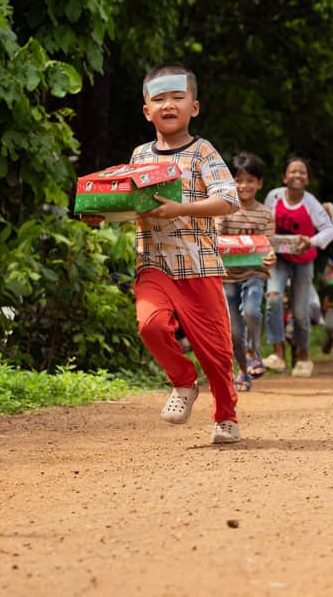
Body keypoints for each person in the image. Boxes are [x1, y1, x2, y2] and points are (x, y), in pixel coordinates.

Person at [124, 64, 241, 444]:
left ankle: (226, 416)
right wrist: (98, 213)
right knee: (150, 326)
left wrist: (181, 209)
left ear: (194, 106)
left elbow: (228, 199)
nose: (168, 104)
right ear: (147, 110)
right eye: (159, 99)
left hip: (199, 264)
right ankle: (183, 380)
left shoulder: (203, 150)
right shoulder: (139, 155)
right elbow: (125, 202)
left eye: (177, 97)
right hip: (153, 263)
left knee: (217, 354)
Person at [263, 158, 333, 377]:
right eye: (293, 171)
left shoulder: (310, 202)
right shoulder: (273, 197)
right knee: (274, 299)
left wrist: (310, 241)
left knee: (300, 311)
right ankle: (278, 353)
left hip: (303, 260)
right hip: (279, 258)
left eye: (302, 172)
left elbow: (329, 230)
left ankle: (304, 356)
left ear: (307, 179)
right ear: (285, 177)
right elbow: (265, 222)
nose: (297, 175)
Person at [215, 152, 277, 391]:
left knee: (252, 312)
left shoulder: (265, 214)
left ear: (260, 183)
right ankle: (242, 371)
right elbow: (216, 240)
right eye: (238, 180)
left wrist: (271, 257)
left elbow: (269, 246)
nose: (244, 186)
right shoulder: (225, 210)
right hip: (228, 276)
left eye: (250, 180)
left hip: (254, 272)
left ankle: (253, 350)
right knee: (233, 331)